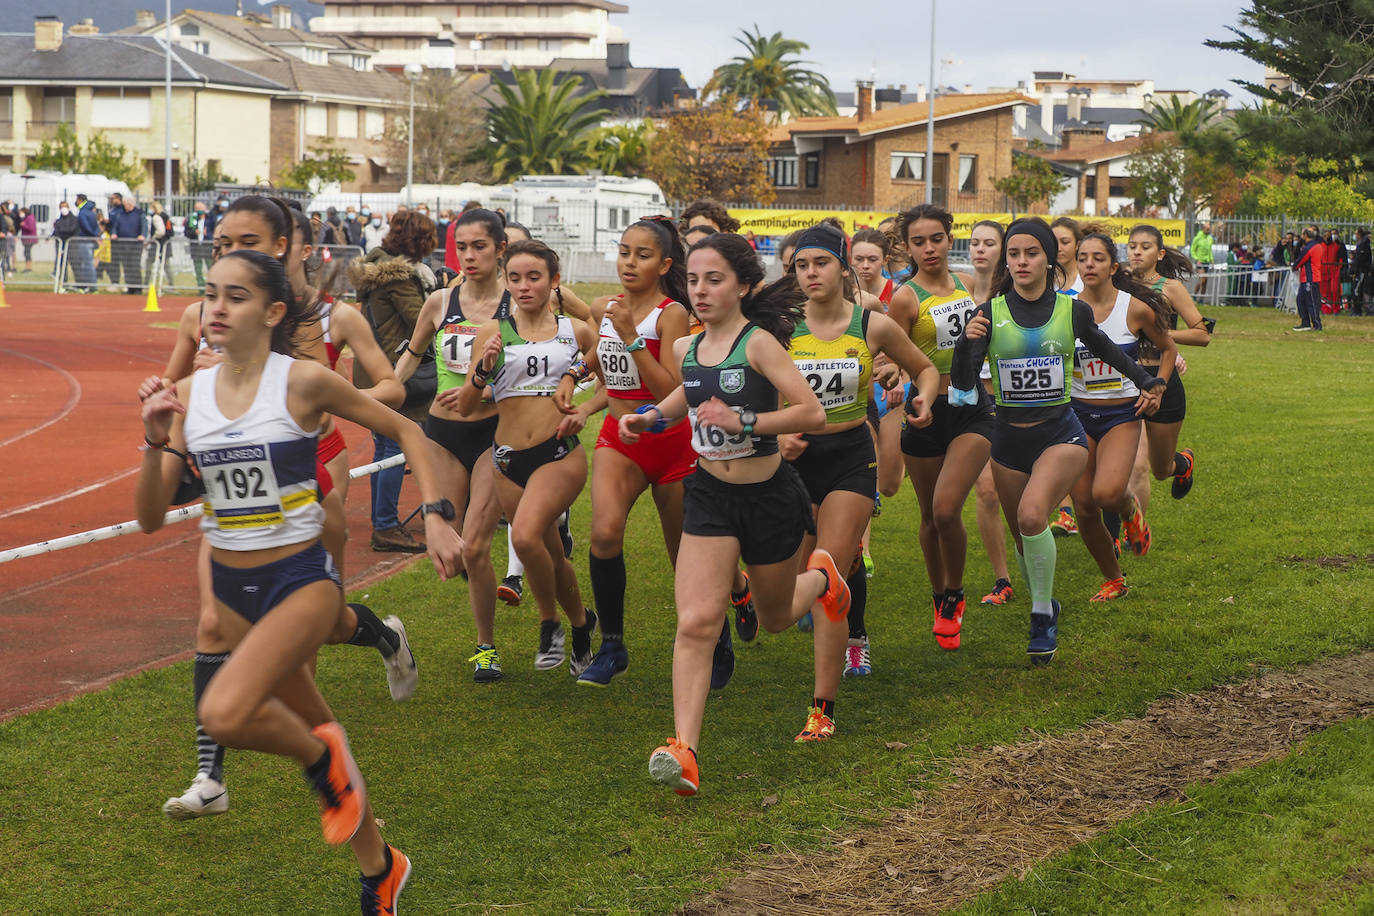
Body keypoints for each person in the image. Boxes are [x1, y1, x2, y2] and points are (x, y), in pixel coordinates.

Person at [135, 250, 457, 914]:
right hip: (233, 593)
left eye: (236, 297)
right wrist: (155, 440)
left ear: (273, 312)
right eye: (211, 295)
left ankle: (321, 765)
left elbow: (404, 429)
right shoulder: (190, 397)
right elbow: (146, 518)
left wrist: (436, 515)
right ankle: (382, 871)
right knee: (324, 731)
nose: (217, 309)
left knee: (223, 712)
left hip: (302, 582)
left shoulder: (303, 383)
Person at [155, 196, 415, 824]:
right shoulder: (202, 314)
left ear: (283, 246)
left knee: (308, 636)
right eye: (219, 245)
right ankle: (210, 775)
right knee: (215, 624)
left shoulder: (331, 319)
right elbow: (170, 393)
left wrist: (332, 399)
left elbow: (392, 390)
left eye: (244, 241)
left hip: (315, 466)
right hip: (230, 479)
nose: (227, 254)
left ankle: (377, 637)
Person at [625, 233, 834, 797]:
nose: (700, 290)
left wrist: (744, 421)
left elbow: (809, 413)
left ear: (742, 286)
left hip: (768, 498)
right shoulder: (685, 348)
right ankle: (684, 749)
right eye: (693, 280)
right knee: (695, 622)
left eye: (713, 279)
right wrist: (649, 418)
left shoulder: (759, 343)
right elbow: (687, 401)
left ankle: (822, 580)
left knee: (774, 618)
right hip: (710, 497)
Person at [950, 218, 1164, 664]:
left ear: (1049, 258)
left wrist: (1148, 381)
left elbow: (1107, 350)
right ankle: (1045, 600)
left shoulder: (1073, 311)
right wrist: (966, 348)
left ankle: (1042, 615)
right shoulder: (988, 313)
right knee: (1023, 534)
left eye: (1031, 253)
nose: (1022, 261)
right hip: (1007, 440)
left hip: (1060, 434)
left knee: (1033, 516)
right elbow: (963, 387)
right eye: (1014, 254)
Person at [578, 218, 750, 688]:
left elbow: (674, 391)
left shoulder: (670, 313)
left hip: (673, 444)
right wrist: (570, 377)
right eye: (624, 251)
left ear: (664, 264)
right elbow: (598, 355)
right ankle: (611, 646)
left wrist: (633, 335)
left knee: (687, 558)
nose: (629, 263)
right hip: (620, 436)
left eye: (642, 255)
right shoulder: (605, 307)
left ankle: (721, 628)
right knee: (605, 534)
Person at [784, 224, 938, 727]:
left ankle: (824, 703)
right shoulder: (781, 328)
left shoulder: (870, 324)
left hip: (851, 453)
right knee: (806, 569)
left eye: (820, 263)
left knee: (833, 562)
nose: (811, 274)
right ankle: (833, 621)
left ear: (843, 268)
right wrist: (775, 433)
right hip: (795, 459)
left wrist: (922, 397)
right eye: (801, 266)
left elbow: (926, 367)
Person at [457, 239, 601, 675]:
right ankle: (580, 628)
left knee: (523, 539)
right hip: (507, 461)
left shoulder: (574, 331)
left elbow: (614, 373)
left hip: (558, 454)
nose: (523, 286)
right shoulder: (492, 332)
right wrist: (483, 370)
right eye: (514, 278)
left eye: (534, 277)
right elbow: (466, 405)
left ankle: (549, 624)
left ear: (554, 281)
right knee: (552, 555)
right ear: (505, 281)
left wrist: (582, 395)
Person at [392, 208, 515, 681]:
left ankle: (486, 648)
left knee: (478, 549)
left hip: (492, 435)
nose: (468, 256)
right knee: (454, 545)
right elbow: (408, 360)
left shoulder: (517, 305)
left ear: (500, 249)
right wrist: (379, 397)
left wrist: (485, 389)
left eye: (479, 246)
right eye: (461, 247)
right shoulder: (440, 303)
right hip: (441, 435)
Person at [885, 204, 994, 652]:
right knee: (929, 517)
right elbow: (889, 352)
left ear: (951, 239)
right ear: (907, 247)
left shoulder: (968, 284)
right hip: (925, 410)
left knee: (948, 509)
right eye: (918, 242)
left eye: (936, 239)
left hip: (972, 409)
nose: (929, 249)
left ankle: (955, 594)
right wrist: (891, 375)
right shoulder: (906, 297)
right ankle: (940, 595)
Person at [1069, 230, 1175, 601]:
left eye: (1097, 258)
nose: (1089, 264)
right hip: (1077, 414)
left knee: (1107, 492)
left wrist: (1157, 387)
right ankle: (1113, 579)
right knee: (1082, 505)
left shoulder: (1133, 307)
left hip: (1121, 413)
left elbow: (1167, 347)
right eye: (1083, 258)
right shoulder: (1065, 307)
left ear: (1113, 267)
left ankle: (1130, 511)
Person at [348, 209, 440, 552]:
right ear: (419, 240)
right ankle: (385, 526)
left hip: (373, 368)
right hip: (393, 369)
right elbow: (422, 320)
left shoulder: (377, 269)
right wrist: (443, 295)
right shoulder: (399, 277)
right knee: (392, 448)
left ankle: (384, 521)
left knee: (385, 448)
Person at [1126, 224, 1212, 515]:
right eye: (1132, 246)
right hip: (1125, 381)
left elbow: (1202, 334)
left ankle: (1183, 464)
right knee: (1130, 463)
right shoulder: (1117, 283)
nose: (1137, 252)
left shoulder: (1170, 288)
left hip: (1162, 381)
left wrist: (1163, 337)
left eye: (1145, 247)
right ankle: (1121, 533)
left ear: (1160, 253)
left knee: (1160, 469)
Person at [967, 219, 1016, 605]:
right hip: (971, 404)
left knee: (1018, 496)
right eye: (975, 242)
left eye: (989, 243)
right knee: (986, 492)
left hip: (1013, 402)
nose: (980, 249)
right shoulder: (953, 291)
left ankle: (1028, 550)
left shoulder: (1018, 293)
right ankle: (1002, 579)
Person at [1047, 217, 1084, 537]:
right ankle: (1066, 512)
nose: (1058, 248)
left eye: (1065, 242)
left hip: (1088, 375)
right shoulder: (1044, 282)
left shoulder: (1087, 281)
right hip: (1053, 372)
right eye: (1053, 241)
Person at [108, 193, 147, 294]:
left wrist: (142, 235)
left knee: (135, 266)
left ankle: (137, 288)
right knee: (126, 267)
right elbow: (115, 226)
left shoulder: (139, 213)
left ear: (130, 204)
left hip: (135, 245)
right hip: (122, 244)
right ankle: (130, 287)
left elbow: (144, 226)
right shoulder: (120, 213)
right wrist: (114, 234)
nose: (124, 206)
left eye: (126, 204)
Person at [1291, 227, 1324, 331]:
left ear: (1306, 235)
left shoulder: (1309, 248)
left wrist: (1294, 267)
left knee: (1311, 301)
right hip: (1308, 278)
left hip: (1310, 278)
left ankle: (1316, 324)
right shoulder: (1318, 245)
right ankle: (1305, 322)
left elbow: (1301, 260)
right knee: (1301, 299)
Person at [186, 201, 213, 288]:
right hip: (196, 247)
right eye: (196, 209)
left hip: (207, 247)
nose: (198, 211)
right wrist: (194, 232)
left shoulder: (210, 219)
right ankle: (201, 287)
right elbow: (186, 232)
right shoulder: (191, 219)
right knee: (198, 269)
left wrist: (207, 234)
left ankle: (211, 287)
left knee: (211, 268)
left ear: (204, 209)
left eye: (200, 209)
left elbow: (215, 231)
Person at [51, 200, 78, 282]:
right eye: (62, 207)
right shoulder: (58, 221)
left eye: (65, 206)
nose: (64, 208)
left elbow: (72, 230)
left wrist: (62, 232)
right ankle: (63, 282)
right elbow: (56, 232)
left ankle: (79, 283)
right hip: (61, 245)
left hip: (72, 245)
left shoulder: (74, 219)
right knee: (62, 264)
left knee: (75, 264)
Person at [1190, 221, 1215, 297]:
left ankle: (1201, 299)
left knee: (1205, 281)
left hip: (1206, 261)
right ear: (1203, 229)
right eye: (1207, 229)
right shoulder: (1197, 238)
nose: (1208, 231)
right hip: (1199, 262)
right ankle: (1194, 296)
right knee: (1202, 279)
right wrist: (1197, 259)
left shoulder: (1210, 238)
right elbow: (1192, 250)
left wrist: (1212, 260)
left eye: (1209, 229)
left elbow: (1210, 250)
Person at [1352, 228, 1370, 316]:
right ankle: (1356, 309)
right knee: (1357, 290)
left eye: (1356, 234)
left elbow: (1361, 259)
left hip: (1361, 270)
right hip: (1359, 270)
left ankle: (1357, 310)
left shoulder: (1363, 245)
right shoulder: (1361, 244)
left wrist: (1356, 268)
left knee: (1357, 290)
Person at [17, 206, 36, 272]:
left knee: (27, 253)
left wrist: (23, 225)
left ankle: (29, 268)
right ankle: (27, 267)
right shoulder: (26, 218)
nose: (20, 214)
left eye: (20, 213)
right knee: (26, 253)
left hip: (29, 239)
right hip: (26, 239)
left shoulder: (30, 218)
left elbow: (30, 228)